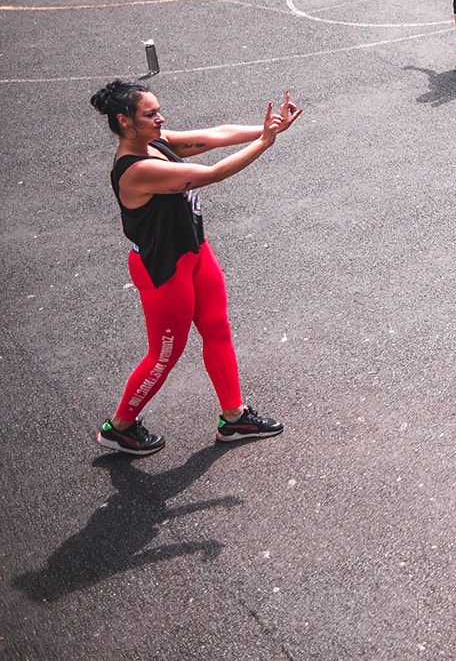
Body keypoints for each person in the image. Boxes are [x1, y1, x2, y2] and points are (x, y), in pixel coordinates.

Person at [87, 80, 303, 456]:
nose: (160, 118)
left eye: (158, 111)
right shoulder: (137, 169)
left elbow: (214, 137)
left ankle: (234, 418)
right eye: (150, 114)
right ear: (124, 122)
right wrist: (264, 144)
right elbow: (213, 173)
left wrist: (267, 127)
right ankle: (120, 427)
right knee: (165, 353)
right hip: (163, 268)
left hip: (195, 251)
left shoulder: (155, 141)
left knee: (217, 328)